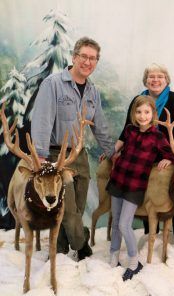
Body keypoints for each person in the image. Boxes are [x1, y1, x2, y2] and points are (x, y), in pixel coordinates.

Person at [31, 37, 115, 260]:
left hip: (81, 156)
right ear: (74, 57)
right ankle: (82, 244)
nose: (88, 62)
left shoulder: (92, 91)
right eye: (84, 57)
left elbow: (100, 125)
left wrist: (113, 152)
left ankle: (59, 249)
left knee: (75, 208)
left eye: (93, 58)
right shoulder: (53, 84)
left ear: (96, 61)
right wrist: (40, 157)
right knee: (67, 211)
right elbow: (41, 121)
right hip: (57, 156)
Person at [117, 63, 174, 268]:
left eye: (160, 76)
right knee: (147, 197)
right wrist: (116, 151)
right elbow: (128, 129)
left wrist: (172, 157)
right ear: (146, 80)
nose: (155, 80)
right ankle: (153, 236)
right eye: (151, 76)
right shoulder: (139, 100)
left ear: (166, 79)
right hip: (147, 158)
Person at [107, 95, 174, 281]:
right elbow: (119, 145)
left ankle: (134, 261)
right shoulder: (129, 131)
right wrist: (111, 153)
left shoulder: (157, 137)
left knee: (124, 224)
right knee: (116, 220)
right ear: (134, 114)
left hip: (135, 187)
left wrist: (168, 158)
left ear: (153, 114)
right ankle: (113, 256)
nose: (142, 116)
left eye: (146, 112)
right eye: (138, 112)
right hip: (118, 180)